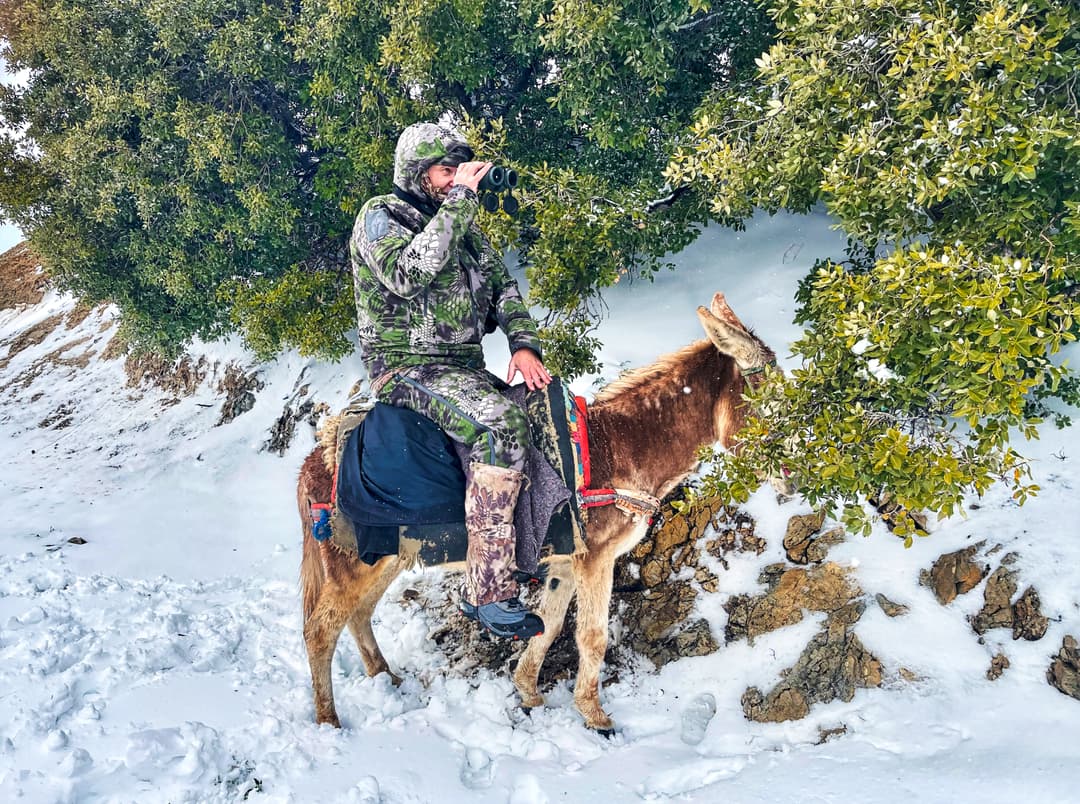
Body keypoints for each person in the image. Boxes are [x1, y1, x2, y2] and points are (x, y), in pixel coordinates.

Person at [350, 122, 552, 640]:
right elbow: (408, 273)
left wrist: (524, 344)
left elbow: (504, 286)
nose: (456, 179)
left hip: (459, 365)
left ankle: (527, 549)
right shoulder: (380, 216)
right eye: (446, 171)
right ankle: (487, 592)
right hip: (405, 366)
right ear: (417, 175)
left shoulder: (461, 227)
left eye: (458, 172)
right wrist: (460, 199)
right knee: (499, 425)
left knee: (543, 411)